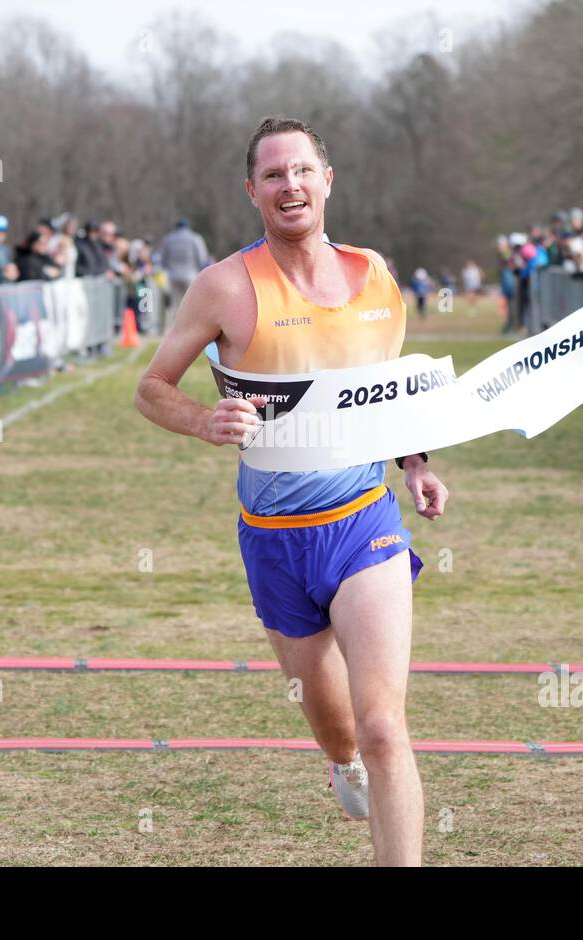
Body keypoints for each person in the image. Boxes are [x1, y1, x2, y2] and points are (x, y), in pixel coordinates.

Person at [135, 116, 447, 866]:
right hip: (274, 539)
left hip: (362, 522)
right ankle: (339, 765)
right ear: (253, 192)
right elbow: (151, 389)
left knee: (383, 728)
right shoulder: (225, 286)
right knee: (342, 732)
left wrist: (416, 466)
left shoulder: (376, 277)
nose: (290, 185)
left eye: (302, 170)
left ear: (327, 180)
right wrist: (208, 420)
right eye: (273, 175)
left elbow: (389, 398)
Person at [155, 217, 212, 333]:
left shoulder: (168, 239)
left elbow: (162, 260)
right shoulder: (195, 238)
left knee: (174, 305)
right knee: (190, 304)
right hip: (190, 274)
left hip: (172, 275)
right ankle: (191, 330)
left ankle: (170, 331)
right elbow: (202, 258)